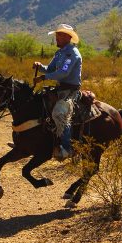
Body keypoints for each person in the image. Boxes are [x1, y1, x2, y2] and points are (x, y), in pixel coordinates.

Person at [33, 24, 82, 159]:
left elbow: (63, 73)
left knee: (59, 113)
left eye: (59, 35)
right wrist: (40, 66)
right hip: (60, 89)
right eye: (56, 35)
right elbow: (50, 69)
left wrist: (44, 78)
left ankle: (67, 149)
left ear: (67, 37)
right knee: (38, 105)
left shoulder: (72, 53)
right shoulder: (60, 53)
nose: (56, 38)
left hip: (70, 91)